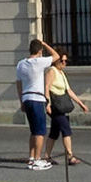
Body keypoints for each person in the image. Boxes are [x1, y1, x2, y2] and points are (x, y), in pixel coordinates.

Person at [16, 38, 54, 169]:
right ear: (39, 51)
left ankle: (31, 157)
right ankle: (37, 159)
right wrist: (45, 44)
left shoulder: (21, 64)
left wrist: (21, 100)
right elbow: (56, 56)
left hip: (26, 97)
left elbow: (19, 84)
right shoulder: (39, 62)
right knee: (40, 131)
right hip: (37, 98)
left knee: (33, 130)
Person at [46, 51, 88, 166]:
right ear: (56, 61)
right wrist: (47, 104)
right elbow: (46, 87)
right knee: (66, 129)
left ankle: (46, 156)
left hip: (61, 105)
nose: (64, 63)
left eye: (66, 61)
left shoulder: (61, 73)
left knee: (54, 132)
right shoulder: (52, 71)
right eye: (62, 61)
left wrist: (80, 103)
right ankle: (70, 156)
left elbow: (68, 90)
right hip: (55, 106)